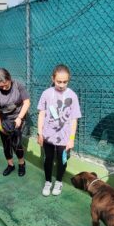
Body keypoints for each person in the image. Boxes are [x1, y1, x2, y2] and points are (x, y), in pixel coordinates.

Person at [37, 64, 81, 196]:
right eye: (59, 81)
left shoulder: (72, 96)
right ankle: (48, 181)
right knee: (48, 159)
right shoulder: (46, 94)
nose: (62, 85)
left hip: (64, 137)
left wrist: (71, 139)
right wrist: (40, 133)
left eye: (65, 82)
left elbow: (74, 119)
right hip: (48, 135)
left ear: (68, 80)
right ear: (53, 78)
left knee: (62, 160)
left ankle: (59, 181)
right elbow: (42, 113)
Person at [0, 68, 31, 176]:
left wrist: (20, 118)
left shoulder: (18, 86)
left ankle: (22, 164)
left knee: (16, 143)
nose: (4, 88)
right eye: (1, 86)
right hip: (4, 119)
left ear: (10, 79)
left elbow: (26, 102)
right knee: (6, 143)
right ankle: (10, 165)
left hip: (18, 117)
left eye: (6, 85)